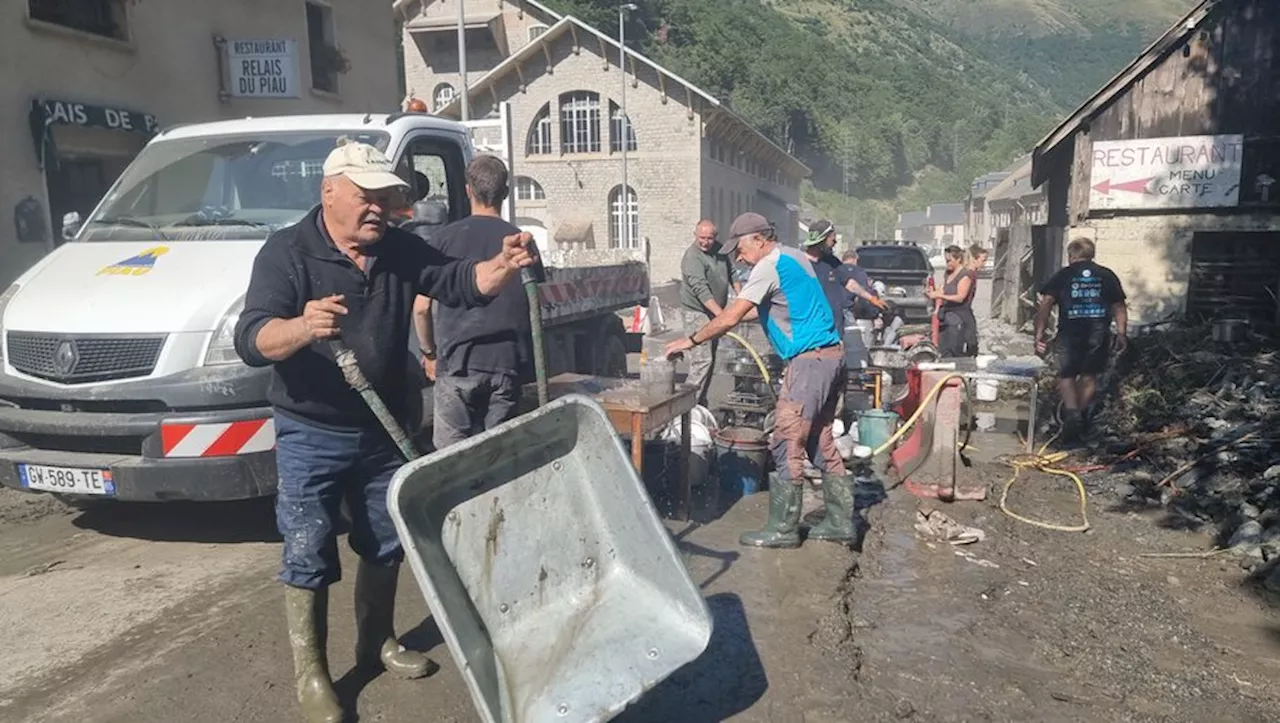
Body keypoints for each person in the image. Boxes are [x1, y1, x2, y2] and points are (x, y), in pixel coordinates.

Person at [232, 141, 537, 723]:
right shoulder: (287, 253)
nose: (377, 207)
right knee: (307, 548)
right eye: (364, 195)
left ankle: (375, 641)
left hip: (386, 424)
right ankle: (313, 673)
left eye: (384, 196)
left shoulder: (398, 249)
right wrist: (299, 327)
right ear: (329, 191)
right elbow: (252, 339)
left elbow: (457, 283)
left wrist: (502, 263)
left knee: (384, 540)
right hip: (311, 428)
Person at [664, 212, 855, 549]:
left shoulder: (768, 264)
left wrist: (690, 339)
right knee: (819, 441)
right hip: (831, 357)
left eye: (740, 247)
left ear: (758, 238)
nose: (738, 256)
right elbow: (760, 308)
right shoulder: (794, 256)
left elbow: (734, 314)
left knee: (785, 439)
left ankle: (783, 529)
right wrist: (733, 315)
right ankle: (841, 523)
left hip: (810, 362)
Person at [416, 155, 540, 450]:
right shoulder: (520, 242)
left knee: (451, 458)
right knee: (497, 454)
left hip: (457, 364)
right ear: (506, 192)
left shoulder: (443, 239)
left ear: (467, 190)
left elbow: (421, 307)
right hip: (506, 366)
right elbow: (534, 302)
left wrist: (429, 354)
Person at [1034, 237, 1128, 443]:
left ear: (1071, 255)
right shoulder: (1106, 275)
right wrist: (1121, 333)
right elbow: (1119, 305)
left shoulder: (1063, 275)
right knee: (1089, 376)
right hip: (1098, 333)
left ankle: (1072, 413)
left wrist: (1039, 332)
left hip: (1069, 333)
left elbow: (1046, 303)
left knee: (1066, 376)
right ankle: (1081, 416)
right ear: (1091, 254)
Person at [678, 219, 740, 406]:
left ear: (715, 238)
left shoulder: (719, 250)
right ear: (695, 235)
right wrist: (724, 317)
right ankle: (686, 407)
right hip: (696, 312)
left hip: (713, 312)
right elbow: (701, 291)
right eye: (701, 238)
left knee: (711, 360)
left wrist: (743, 297)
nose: (705, 242)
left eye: (709, 238)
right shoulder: (692, 258)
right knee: (702, 360)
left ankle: (700, 402)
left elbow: (733, 274)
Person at [926, 246, 976, 358]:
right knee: (943, 349)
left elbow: (960, 297)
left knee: (955, 349)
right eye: (946, 260)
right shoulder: (948, 273)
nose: (947, 263)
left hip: (959, 316)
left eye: (949, 261)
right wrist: (933, 292)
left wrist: (939, 295)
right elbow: (943, 289)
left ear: (958, 260)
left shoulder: (965, 275)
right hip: (946, 316)